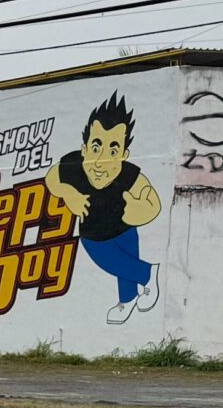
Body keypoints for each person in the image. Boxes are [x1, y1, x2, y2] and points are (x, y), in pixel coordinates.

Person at [43, 93, 161, 323]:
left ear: (124, 155)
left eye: (113, 151)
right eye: (96, 148)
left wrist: (143, 210)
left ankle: (141, 282)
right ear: (84, 149)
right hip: (93, 234)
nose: (100, 161)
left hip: (125, 227)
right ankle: (133, 292)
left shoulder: (129, 175)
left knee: (124, 259)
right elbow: (51, 178)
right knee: (110, 260)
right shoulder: (72, 166)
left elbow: (152, 200)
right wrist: (69, 194)